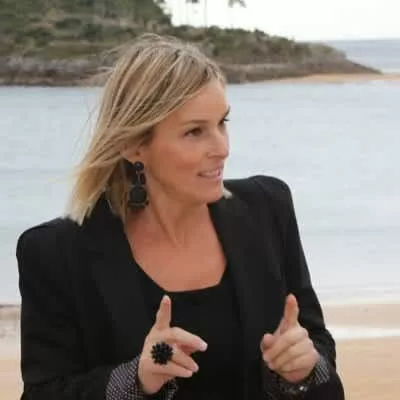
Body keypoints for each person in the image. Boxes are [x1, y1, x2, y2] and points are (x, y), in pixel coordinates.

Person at [16, 34, 345, 400]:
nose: (222, 148)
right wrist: (136, 380)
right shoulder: (55, 253)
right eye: (194, 132)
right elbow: (43, 393)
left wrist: (303, 369)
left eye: (222, 122)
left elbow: (319, 354)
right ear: (133, 145)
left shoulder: (269, 208)